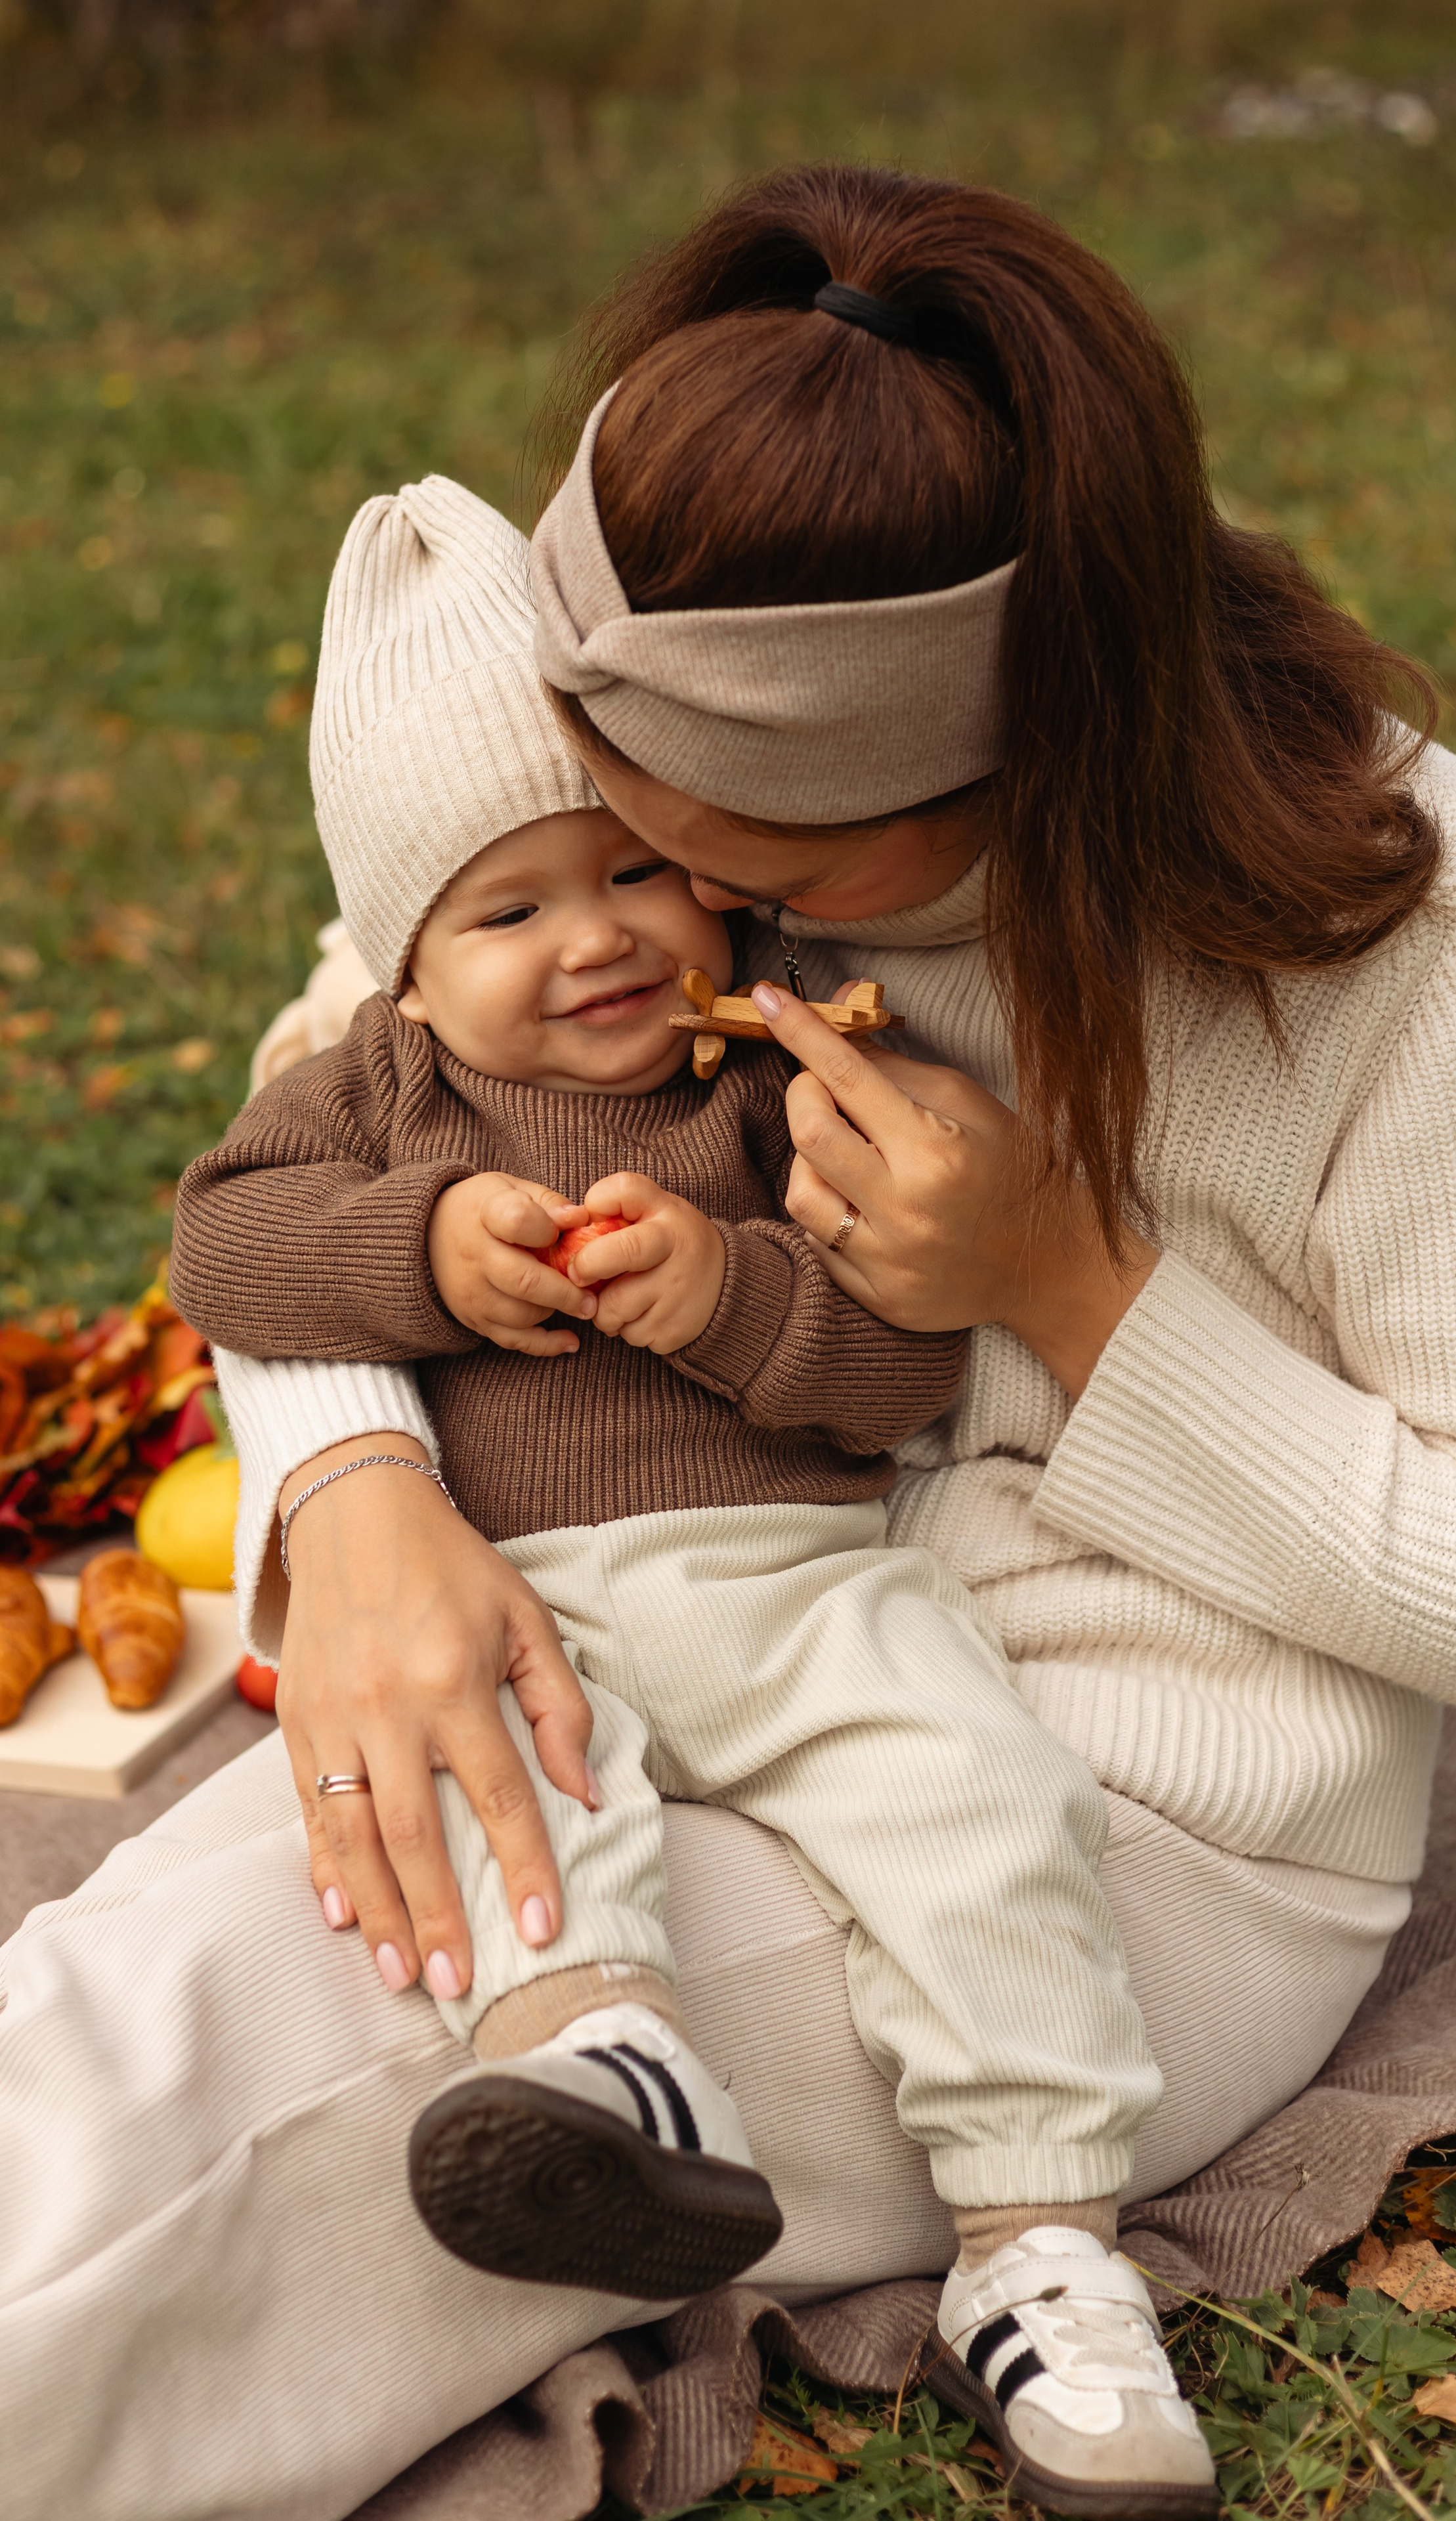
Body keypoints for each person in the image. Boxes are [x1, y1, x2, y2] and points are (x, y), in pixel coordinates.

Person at [3, 163, 1456, 2521]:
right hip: (633, 1613)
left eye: (728, 834)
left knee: (296, 2096)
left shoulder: (1407, 931)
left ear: (1009, 754)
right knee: (121, 1999)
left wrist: (1068, 1296)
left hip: (1112, 1815)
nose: (652, 880)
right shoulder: (657, 769)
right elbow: (346, 1078)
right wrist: (358, 1499)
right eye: (600, 792)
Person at [165, 472, 1214, 2509]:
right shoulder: (384, 1093)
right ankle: (599, 2069)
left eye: (635, 870)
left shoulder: (780, 1077)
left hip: (795, 1575)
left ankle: (1044, 2242)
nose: (595, 940)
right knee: (489, 1796)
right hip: (520, 1596)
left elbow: (898, 1365)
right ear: (403, 954)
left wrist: (736, 1293)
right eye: (510, 907)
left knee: (982, 1803)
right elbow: (229, 1244)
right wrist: (424, 1240)